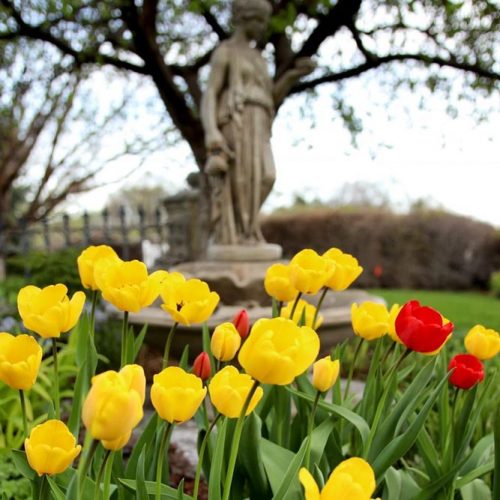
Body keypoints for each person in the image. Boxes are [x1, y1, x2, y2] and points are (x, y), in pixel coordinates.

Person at [201, 0, 314, 246]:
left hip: (260, 121)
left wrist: (294, 75)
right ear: (244, 19)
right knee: (239, 181)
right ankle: (236, 237)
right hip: (237, 120)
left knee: (267, 175)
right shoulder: (226, 51)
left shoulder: (259, 58)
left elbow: (271, 95)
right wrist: (211, 131)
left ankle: (248, 231)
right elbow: (211, 92)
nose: (264, 27)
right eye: (260, 21)